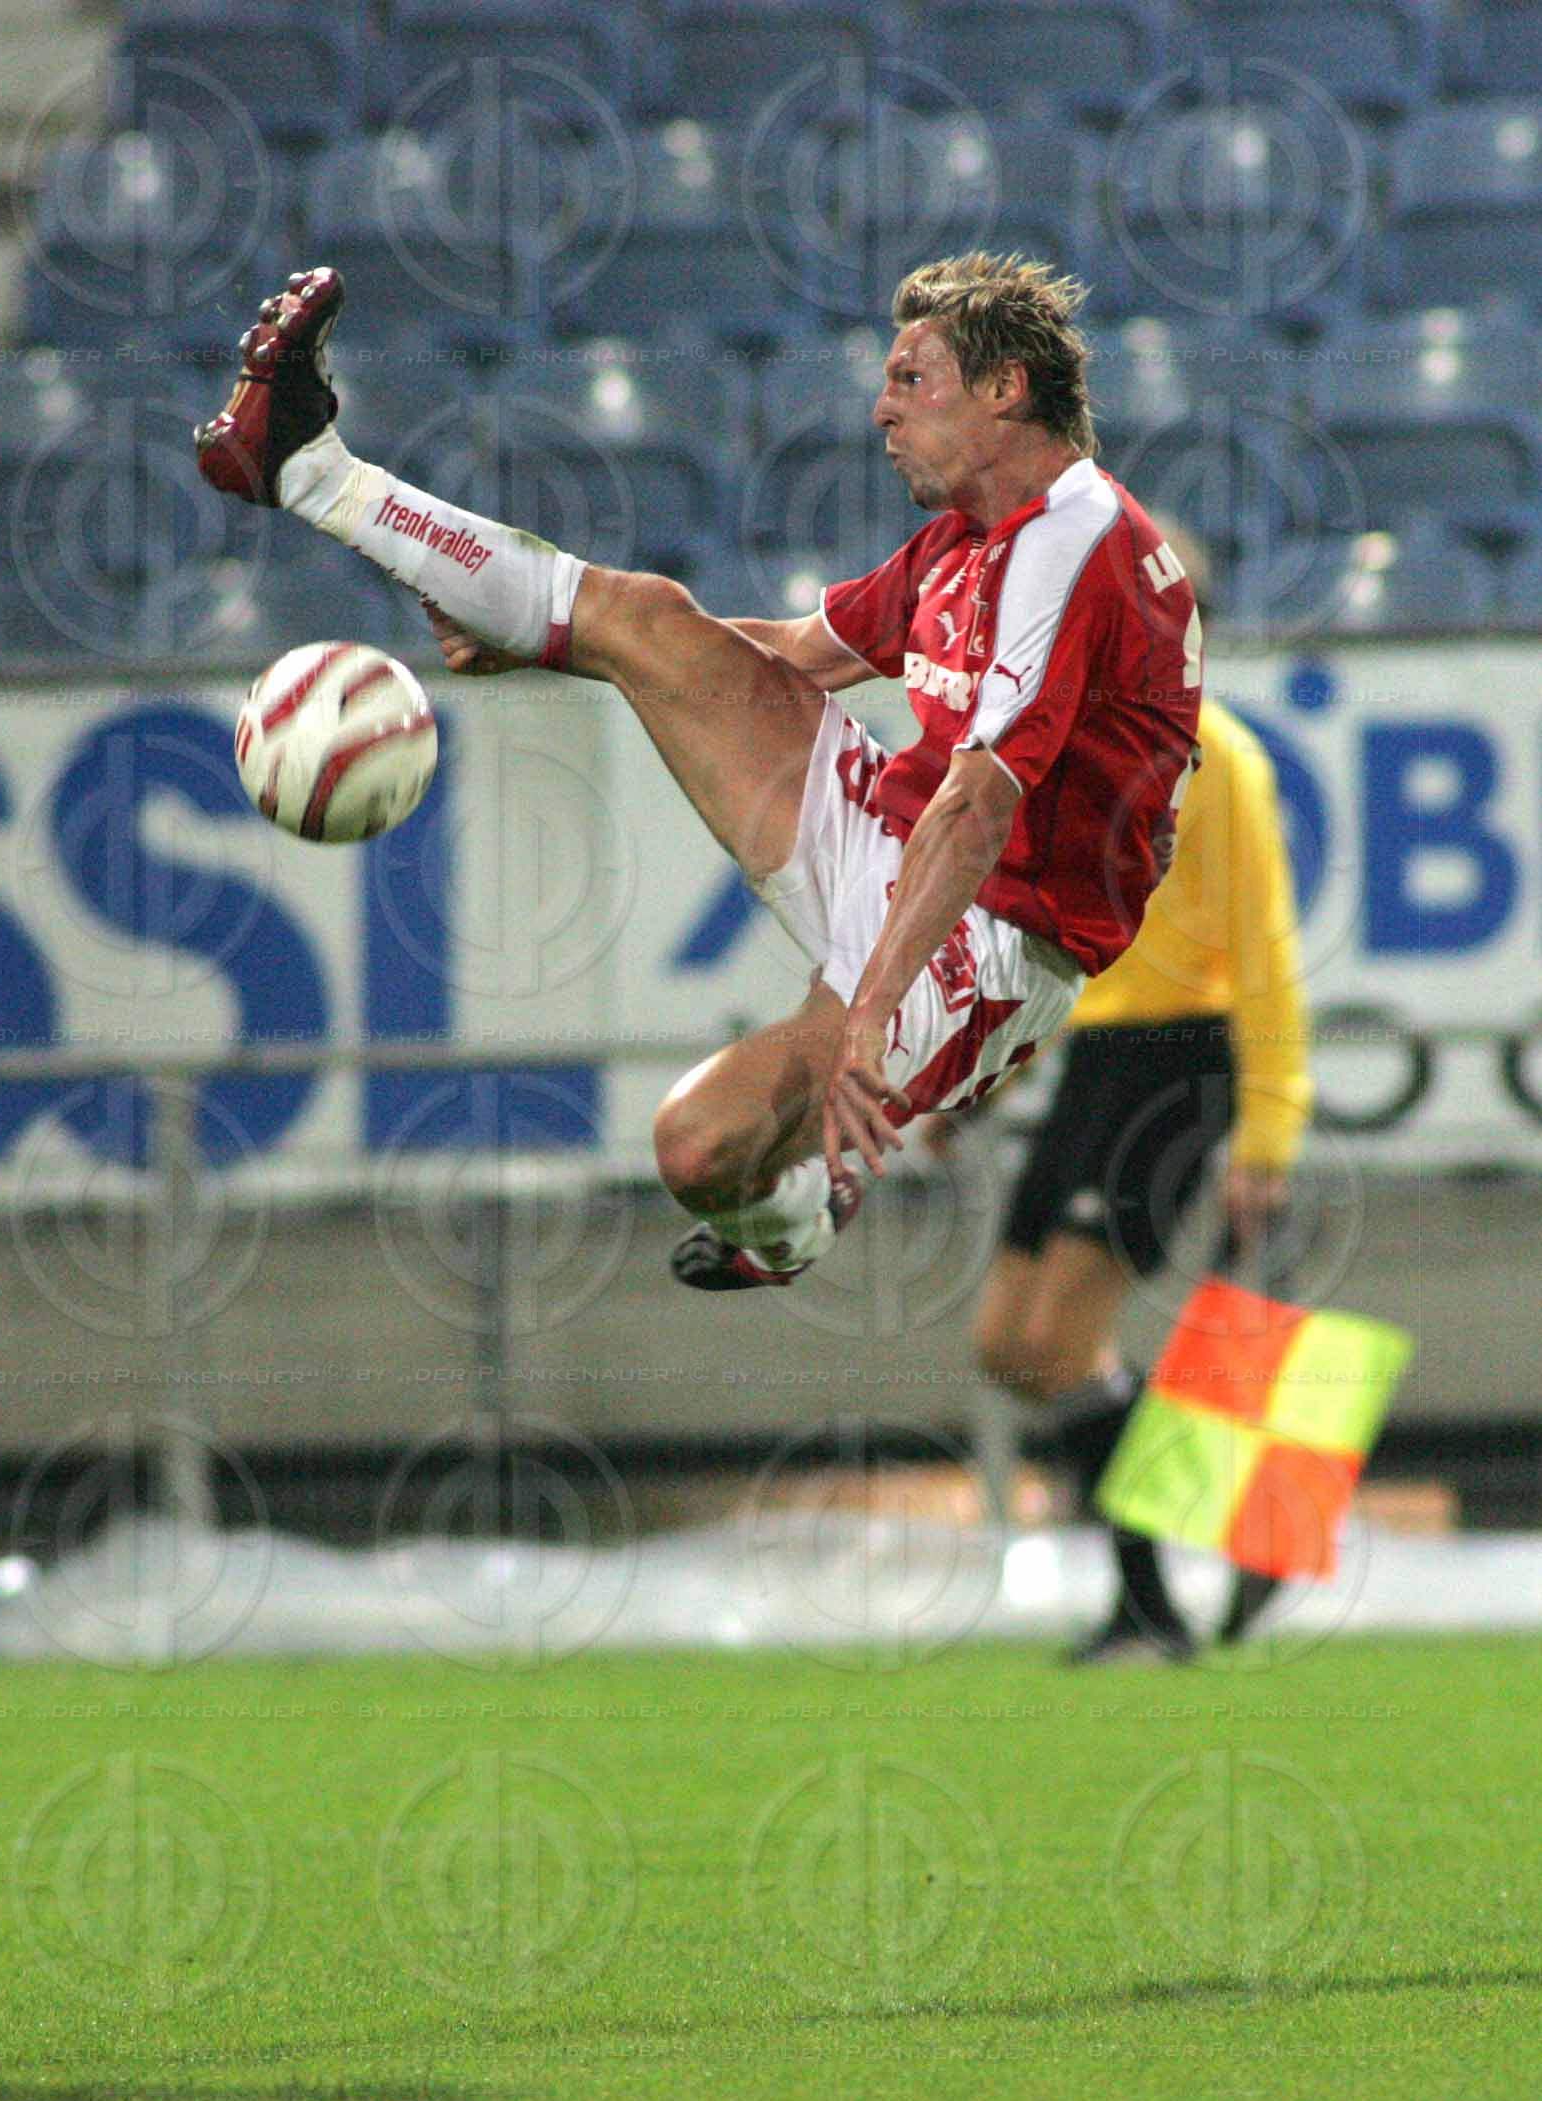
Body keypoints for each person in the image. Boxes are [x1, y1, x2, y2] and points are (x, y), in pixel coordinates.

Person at [197, 254, 1203, 1287]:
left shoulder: (1075, 543)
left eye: (911, 380)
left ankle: (792, 1219)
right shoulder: (972, 538)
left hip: (985, 941)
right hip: (900, 837)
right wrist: (572, 647)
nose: (881, 411)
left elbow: (980, 808)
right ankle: (307, 469)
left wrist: (870, 1010)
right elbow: (795, 654)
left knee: (699, 1149)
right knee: (645, 617)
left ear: (1004, 389)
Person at [969, 527, 1312, 1663]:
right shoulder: (1080, 755)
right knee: (1007, 1346)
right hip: (1097, 1057)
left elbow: (1265, 954)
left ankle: (1151, 1604)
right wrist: (984, 1074)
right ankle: (1243, 1508)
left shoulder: (1224, 761)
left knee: (1060, 1339)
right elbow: (1049, 940)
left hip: (1181, 1065)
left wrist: (1268, 1133)